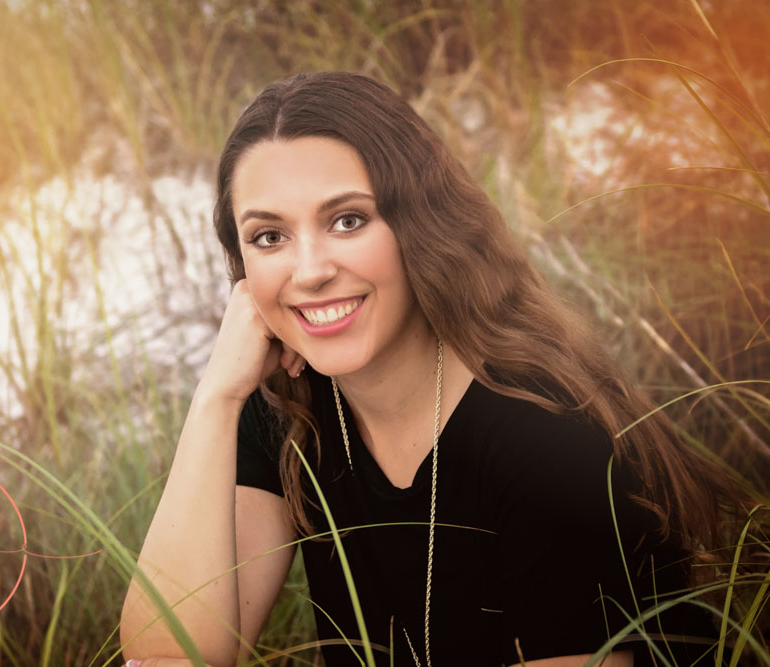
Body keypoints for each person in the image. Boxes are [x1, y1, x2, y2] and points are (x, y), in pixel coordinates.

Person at [119, 71, 737, 666]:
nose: (308, 271)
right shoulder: (288, 408)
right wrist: (217, 399)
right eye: (269, 237)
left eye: (347, 220)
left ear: (420, 225)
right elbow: (165, 656)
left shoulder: (542, 436)